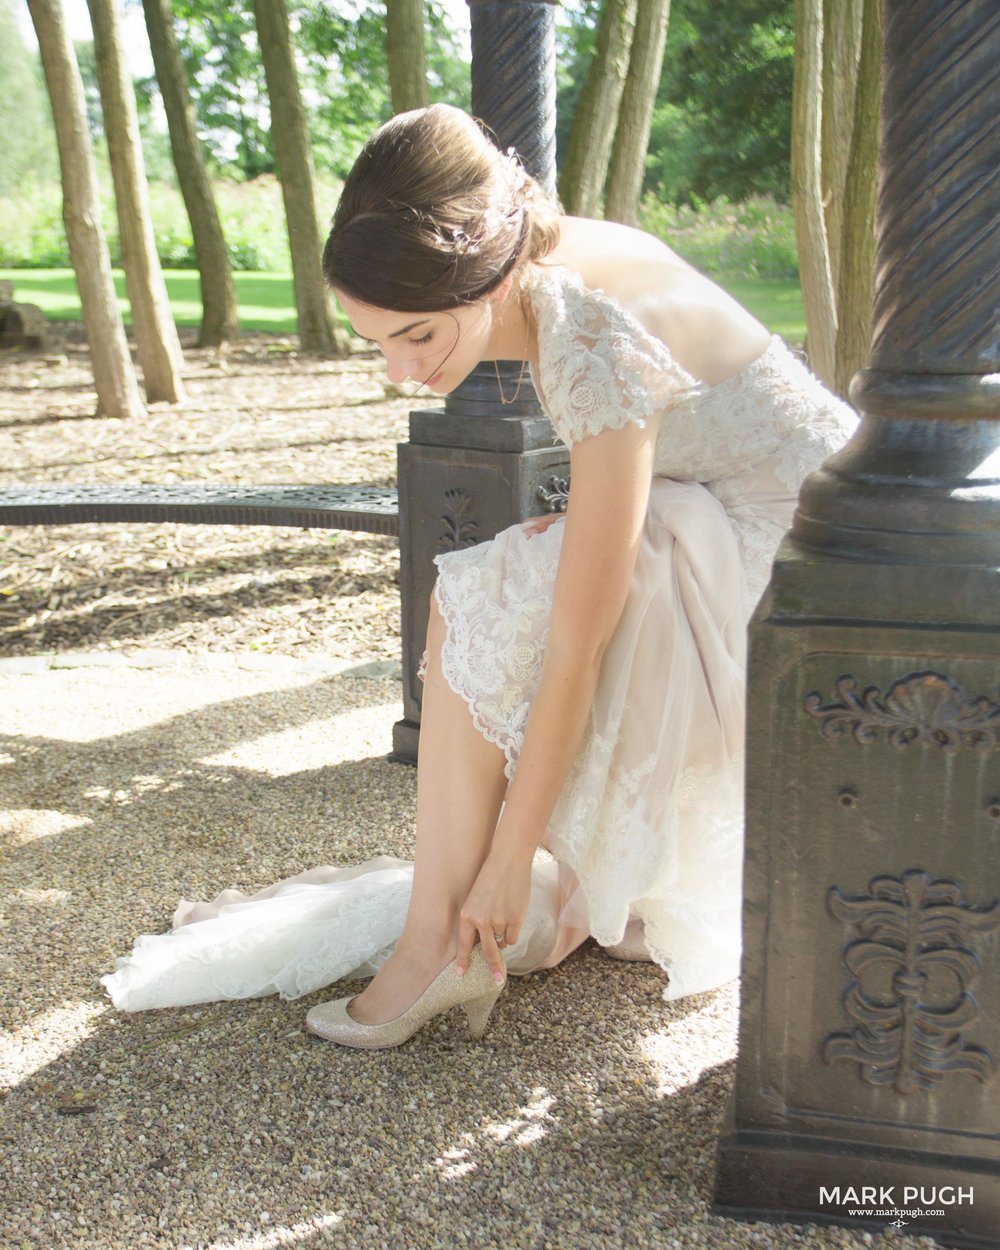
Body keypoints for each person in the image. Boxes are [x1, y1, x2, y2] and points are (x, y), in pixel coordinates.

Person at [101, 105, 856, 1040]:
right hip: (740, 517)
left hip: (814, 570)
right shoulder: (552, 252)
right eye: (379, 341)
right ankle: (502, 907)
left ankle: (437, 947)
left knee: (479, 592)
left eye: (417, 336)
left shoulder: (588, 334)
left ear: (484, 275)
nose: (399, 371)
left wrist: (507, 861)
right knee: (518, 568)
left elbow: (579, 644)